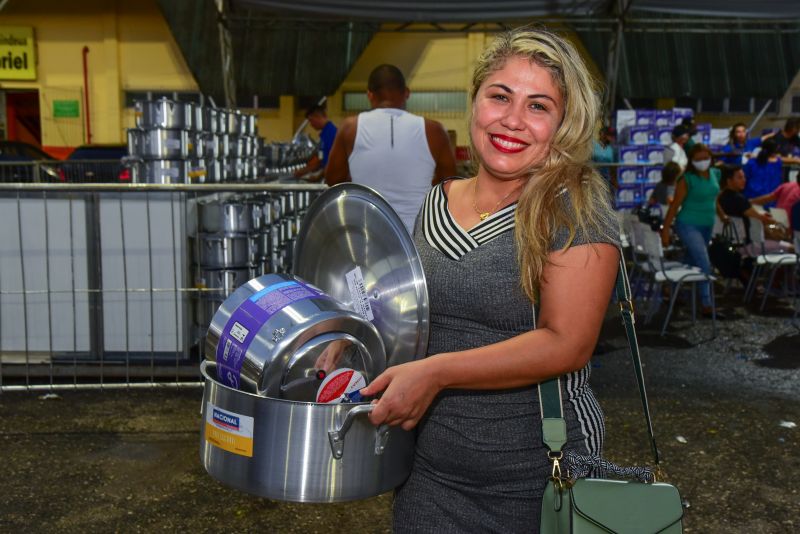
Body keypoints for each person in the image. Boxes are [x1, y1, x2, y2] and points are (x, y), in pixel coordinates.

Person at [358, 28, 619, 532]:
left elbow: (566, 343)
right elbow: (417, 313)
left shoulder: (574, 211)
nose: (512, 120)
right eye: (500, 96)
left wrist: (436, 373)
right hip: (430, 476)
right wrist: (355, 338)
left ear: (564, 123)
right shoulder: (438, 200)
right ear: (475, 101)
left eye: (539, 106)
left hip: (539, 479)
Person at [325, 64, 457, 234]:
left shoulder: (350, 128)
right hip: (417, 240)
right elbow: (450, 185)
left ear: (369, 95)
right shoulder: (433, 130)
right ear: (407, 92)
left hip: (368, 236)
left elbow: (333, 180)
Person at [661, 144, 727, 317]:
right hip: (687, 224)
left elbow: (713, 198)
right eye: (698, 159)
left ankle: (672, 290)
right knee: (704, 262)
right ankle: (706, 304)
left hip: (707, 224)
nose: (702, 162)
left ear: (711, 157)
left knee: (691, 261)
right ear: (691, 161)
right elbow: (675, 206)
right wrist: (666, 230)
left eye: (705, 158)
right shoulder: (686, 179)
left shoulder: (715, 174)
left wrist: (722, 215)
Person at [743, 138, 800, 205]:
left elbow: (744, 178)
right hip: (770, 199)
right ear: (775, 151)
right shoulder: (778, 162)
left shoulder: (752, 162)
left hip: (752, 196)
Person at [293, 102, 337, 179]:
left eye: (311, 120)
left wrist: (318, 176)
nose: (311, 124)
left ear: (318, 116)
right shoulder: (324, 134)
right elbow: (320, 161)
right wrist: (302, 171)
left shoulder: (331, 133)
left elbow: (334, 162)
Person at [592, 125, 618, 193]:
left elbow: (613, 168)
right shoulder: (593, 146)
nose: (610, 137)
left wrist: (614, 181)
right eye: (608, 135)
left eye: (611, 135)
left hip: (606, 181)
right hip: (594, 180)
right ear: (601, 134)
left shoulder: (612, 149)